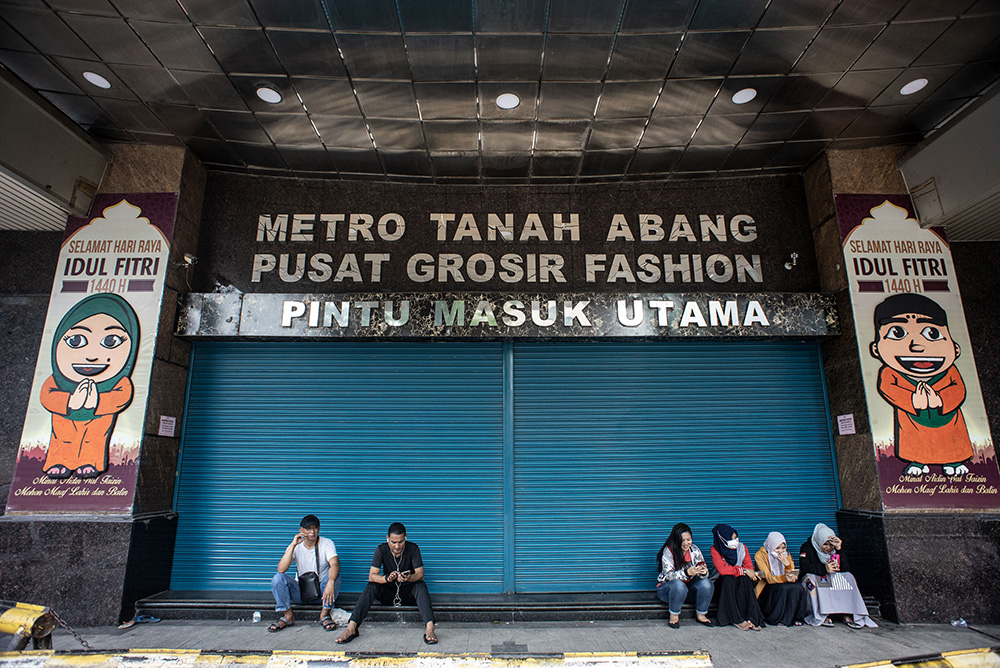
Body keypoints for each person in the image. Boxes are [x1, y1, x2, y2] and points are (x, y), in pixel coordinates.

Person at [869, 293, 974, 477]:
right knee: (915, 440)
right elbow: (889, 388)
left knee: (952, 439)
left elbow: (958, 389)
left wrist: (941, 400)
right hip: (913, 419)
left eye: (932, 333)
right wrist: (911, 400)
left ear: (955, 348)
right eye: (897, 333)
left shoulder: (950, 371)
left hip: (948, 419)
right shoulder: (889, 372)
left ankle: (955, 461)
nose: (916, 346)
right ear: (876, 349)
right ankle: (918, 462)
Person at [40, 293, 139, 479]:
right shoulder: (58, 380)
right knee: (61, 437)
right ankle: (58, 461)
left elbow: (122, 397)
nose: (92, 356)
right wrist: (69, 401)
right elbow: (47, 395)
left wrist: (98, 401)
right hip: (65, 417)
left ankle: (90, 462)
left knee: (94, 439)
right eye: (76, 341)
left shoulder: (119, 381)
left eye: (111, 341)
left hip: (98, 419)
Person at [336, 522, 437, 645]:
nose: (397, 546)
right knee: (371, 586)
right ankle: (351, 628)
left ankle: (430, 628)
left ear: (405, 537)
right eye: (393, 542)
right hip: (389, 594)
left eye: (400, 542)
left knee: (420, 585)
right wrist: (387, 578)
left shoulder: (413, 548)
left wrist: (409, 577)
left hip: (408, 594)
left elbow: (420, 574)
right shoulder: (381, 549)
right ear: (387, 538)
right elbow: (372, 576)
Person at [268, 514, 341, 632]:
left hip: (323, 593)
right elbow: (281, 569)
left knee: (335, 575)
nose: (312, 532)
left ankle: (324, 615)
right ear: (301, 530)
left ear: (319, 529)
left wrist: (331, 582)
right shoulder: (296, 546)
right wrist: (293, 545)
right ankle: (288, 616)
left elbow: (335, 564)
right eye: (308, 528)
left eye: (315, 528)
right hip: (301, 593)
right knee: (278, 578)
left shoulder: (327, 543)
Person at [798, 523, 877, 629]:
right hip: (817, 575)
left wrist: (839, 549)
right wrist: (824, 569)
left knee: (848, 578)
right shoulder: (807, 547)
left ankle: (847, 612)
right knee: (810, 581)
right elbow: (805, 566)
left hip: (832, 577)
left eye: (831, 545)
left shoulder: (836, 550)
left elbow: (845, 568)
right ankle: (820, 615)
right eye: (825, 544)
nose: (828, 548)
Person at [655, 523, 714, 628]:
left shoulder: (694, 550)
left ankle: (701, 614)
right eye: (683, 540)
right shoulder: (669, 552)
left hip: (688, 591)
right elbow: (668, 576)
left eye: (689, 539)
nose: (686, 543)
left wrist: (703, 573)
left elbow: (703, 573)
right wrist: (687, 573)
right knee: (678, 585)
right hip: (668, 591)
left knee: (707, 583)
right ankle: (674, 616)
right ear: (676, 540)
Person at [710, 524, 764, 630]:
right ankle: (736, 619)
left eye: (736, 538)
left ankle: (751, 618)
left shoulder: (742, 548)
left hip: (739, 584)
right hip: (721, 585)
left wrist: (744, 572)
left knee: (745, 580)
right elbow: (722, 570)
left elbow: (750, 569)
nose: (735, 541)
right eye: (731, 539)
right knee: (729, 579)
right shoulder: (715, 550)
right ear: (722, 539)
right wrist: (742, 570)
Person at [753, 532, 808, 626]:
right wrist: (784, 578)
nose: (781, 551)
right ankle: (779, 618)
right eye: (777, 548)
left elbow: (792, 575)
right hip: (767, 587)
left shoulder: (787, 555)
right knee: (782, 588)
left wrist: (787, 564)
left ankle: (796, 617)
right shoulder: (760, 555)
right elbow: (769, 578)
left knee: (798, 587)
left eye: (783, 548)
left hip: (783, 582)